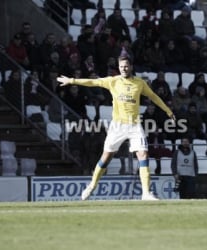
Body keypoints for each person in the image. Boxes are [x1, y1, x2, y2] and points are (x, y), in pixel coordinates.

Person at [57, 56, 175, 200]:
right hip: (117, 126)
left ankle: (146, 193)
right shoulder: (113, 81)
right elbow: (93, 82)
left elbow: (154, 97)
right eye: (121, 66)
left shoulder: (140, 83)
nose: (123, 69)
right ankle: (92, 185)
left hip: (135, 125)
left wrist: (168, 110)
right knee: (106, 157)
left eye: (126, 66)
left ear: (131, 67)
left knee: (143, 155)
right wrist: (72, 80)